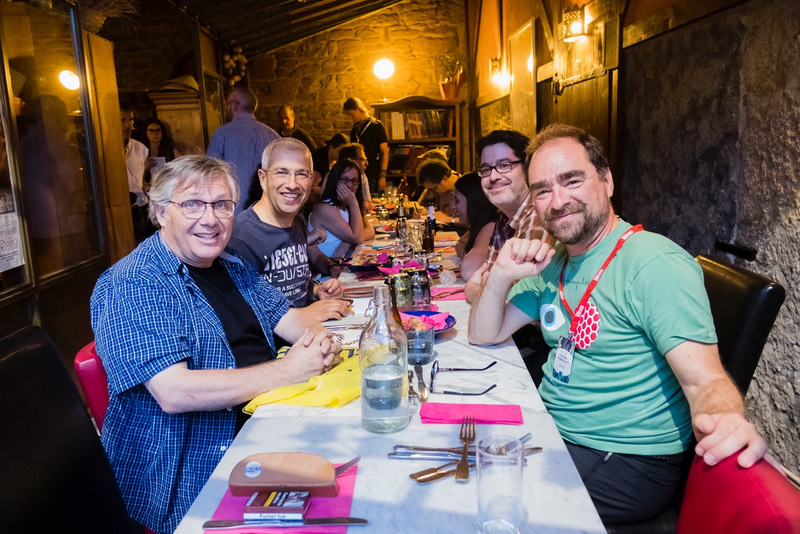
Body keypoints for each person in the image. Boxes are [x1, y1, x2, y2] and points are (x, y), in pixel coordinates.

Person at [467, 124, 767, 525]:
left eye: (572, 180)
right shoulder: (555, 259)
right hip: (558, 433)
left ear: (606, 181)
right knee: (468, 463)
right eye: (541, 190)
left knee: (482, 495)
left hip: (626, 461)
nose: (558, 201)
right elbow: (484, 333)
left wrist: (728, 418)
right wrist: (502, 272)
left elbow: (705, 381)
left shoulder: (652, 263)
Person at [91, 155, 341, 534]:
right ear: (161, 212)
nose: (210, 219)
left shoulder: (232, 266)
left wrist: (323, 343)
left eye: (222, 205)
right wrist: (289, 370)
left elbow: (292, 322)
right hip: (196, 466)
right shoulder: (132, 283)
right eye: (192, 204)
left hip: (272, 425)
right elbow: (175, 392)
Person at [227, 138, 351, 322]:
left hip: (306, 335)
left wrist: (316, 291)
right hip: (276, 349)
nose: (292, 184)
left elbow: (293, 286)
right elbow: (240, 317)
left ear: (311, 180)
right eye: (282, 172)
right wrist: (304, 315)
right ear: (263, 178)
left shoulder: (297, 221)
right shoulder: (242, 236)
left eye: (301, 174)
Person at [464, 129, 548, 303]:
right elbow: (487, 277)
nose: (493, 176)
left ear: (527, 168)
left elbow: (518, 301)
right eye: (486, 169)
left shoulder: (538, 215)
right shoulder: (505, 217)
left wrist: (472, 291)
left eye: (504, 165)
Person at [207, 86, 279, 212]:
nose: (227, 108)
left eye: (227, 104)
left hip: (232, 212)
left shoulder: (221, 134)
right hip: (267, 211)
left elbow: (209, 173)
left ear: (234, 105)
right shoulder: (274, 136)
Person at [308, 158, 375, 259]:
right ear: (335, 181)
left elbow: (370, 230)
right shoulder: (325, 208)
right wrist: (353, 203)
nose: (349, 185)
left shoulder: (346, 206)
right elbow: (357, 238)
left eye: (354, 181)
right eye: (344, 179)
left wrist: (347, 242)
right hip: (330, 271)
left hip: (345, 266)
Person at [452, 171, 498, 281]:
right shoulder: (481, 225)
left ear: (474, 201)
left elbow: (470, 271)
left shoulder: (491, 226)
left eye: (457, 201)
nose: (453, 206)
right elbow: (460, 245)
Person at [120, 101, 154, 242]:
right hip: (120, 208)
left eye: (131, 120)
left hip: (139, 206)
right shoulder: (106, 149)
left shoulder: (140, 148)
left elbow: (138, 179)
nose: (128, 125)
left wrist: (145, 185)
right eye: (123, 120)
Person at [342, 97, 388, 194]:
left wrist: (382, 176)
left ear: (358, 109)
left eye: (352, 115)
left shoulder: (376, 126)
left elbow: (384, 151)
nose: (352, 118)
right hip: (356, 175)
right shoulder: (354, 130)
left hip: (373, 173)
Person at [416, 157, 458, 223]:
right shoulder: (442, 190)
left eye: (433, 189)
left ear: (444, 178)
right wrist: (428, 212)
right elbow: (443, 213)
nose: (432, 193)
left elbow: (474, 221)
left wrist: (449, 219)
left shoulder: (468, 189)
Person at [142, 117, 179, 183]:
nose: (155, 134)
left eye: (158, 130)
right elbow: (136, 178)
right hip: (148, 188)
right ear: (146, 133)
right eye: (151, 131)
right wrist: (145, 169)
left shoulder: (172, 151)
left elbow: (181, 171)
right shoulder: (141, 152)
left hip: (167, 185)